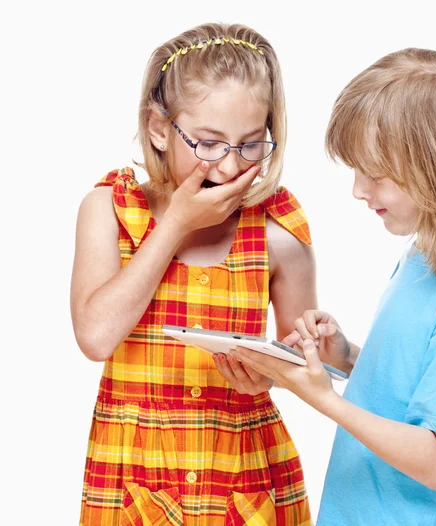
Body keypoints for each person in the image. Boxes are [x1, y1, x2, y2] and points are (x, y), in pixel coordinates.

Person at [230, 48, 436, 525]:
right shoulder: (426, 261)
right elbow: (424, 392)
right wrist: (343, 354)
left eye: (375, 174)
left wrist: (325, 399)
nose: (358, 190)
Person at [70, 22, 316, 525]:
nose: (229, 167)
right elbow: (96, 337)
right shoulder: (109, 209)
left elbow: (300, 363)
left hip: (243, 477)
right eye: (208, 144)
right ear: (159, 128)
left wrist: (267, 379)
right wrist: (177, 223)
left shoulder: (277, 227)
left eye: (251, 145)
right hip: (134, 476)